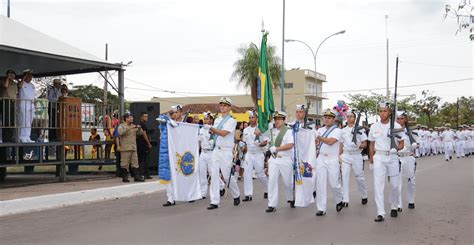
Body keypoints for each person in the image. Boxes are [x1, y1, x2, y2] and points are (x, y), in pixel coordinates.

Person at [368, 102, 405, 222]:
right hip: (379, 156)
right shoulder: (374, 126)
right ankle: (380, 213)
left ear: (390, 112)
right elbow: (371, 144)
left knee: (395, 185)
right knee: (378, 185)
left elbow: (401, 144)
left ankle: (394, 205)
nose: (382, 113)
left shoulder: (396, 126)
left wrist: (395, 146)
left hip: (392, 156)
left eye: (385, 111)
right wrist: (371, 159)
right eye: (380, 111)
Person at [206, 97, 240, 210]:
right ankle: (214, 201)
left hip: (226, 151)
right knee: (214, 174)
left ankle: (236, 194)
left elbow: (224, 133)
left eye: (225, 105)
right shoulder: (217, 119)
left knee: (226, 175)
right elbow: (214, 132)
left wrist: (211, 128)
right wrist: (210, 131)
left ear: (229, 107)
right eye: (221, 105)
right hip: (216, 150)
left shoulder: (232, 120)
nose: (222, 107)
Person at [314, 108, 344, 216]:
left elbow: (331, 142)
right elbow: (317, 142)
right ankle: (321, 208)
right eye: (325, 118)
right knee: (320, 183)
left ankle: (339, 199)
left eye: (329, 118)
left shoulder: (338, 131)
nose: (326, 120)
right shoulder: (320, 130)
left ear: (334, 119)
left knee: (334, 183)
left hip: (332, 159)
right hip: (321, 158)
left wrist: (318, 137)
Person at [263, 111, 294, 213]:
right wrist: (262, 143)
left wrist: (277, 148)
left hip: (285, 159)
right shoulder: (271, 131)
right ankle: (272, 204)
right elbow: (267, 142)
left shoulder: (289, 131)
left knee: (287, 182)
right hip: (274, 159)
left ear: (284, 120)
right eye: (275, 119)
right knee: (272, 182)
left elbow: (290, 145)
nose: (277, 121)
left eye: (279, 119)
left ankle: (291, 197)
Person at [339, 110, 369, 207]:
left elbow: (365, 144)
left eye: (351, 116)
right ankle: (345, 199)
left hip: (356, 155)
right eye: (348, 116)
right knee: (345, 176)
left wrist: (359, 145)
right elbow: (341, 144)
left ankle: (364, 195)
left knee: (359, 177)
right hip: (346, 155)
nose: (349, 118)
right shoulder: (343, 131)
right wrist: (339, 155)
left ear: (355, 118)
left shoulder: (360, 130)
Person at [241, 110, 268, 202]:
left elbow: (265, 142)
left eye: (253, 117)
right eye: (250, 117)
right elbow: (245, 142)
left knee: (260, 174)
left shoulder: (262, 128)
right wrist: (243, 149)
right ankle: (248, 195)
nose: (251, 119)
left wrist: (261, 144)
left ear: (257, 118)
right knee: (247, 173)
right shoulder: (245, 130)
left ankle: (268, 189)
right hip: (249, 154)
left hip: (258, 154)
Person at [163, 104, 184, 207]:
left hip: (180, 154)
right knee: (168, 175)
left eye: (175, 112)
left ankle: (187, 194)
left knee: (181, 175)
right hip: (170, 152)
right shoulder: (168, 124)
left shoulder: (185, 125)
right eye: (172, 113)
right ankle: (170, 198)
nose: (173, 114)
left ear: (180, 112)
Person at [396, 112, 417, 211]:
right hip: (398, 157)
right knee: (397, 181)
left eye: (401, 118)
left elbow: (417, 143)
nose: (399, 120)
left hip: (409, 157)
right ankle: (398, 204)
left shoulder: (412, 132)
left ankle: (411, 200)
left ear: (405, 120)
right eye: (398, 119)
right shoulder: (393, 131)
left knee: (411, 181)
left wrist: (415, 145)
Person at [118, 112, 144, 182]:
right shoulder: (122, 126)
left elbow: (140, 133)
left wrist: (139, 128)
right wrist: (127, 128)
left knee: (135, 163)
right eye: (130, 117)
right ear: (126, 118)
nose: (132, 118)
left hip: (133, 147)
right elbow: (120, 133)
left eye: (132, 117)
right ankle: (124, 177)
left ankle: (136, 176)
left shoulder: (134, 126)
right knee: (124, 163)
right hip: (125, 148)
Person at [17, 69, 35, 143]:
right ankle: (22, 136)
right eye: (29, 76)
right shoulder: (21, 83)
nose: (31, 78)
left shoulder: (32, 85)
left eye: (31, 76)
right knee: (23, 121)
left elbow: (33, 95)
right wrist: (23, 78)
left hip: (31, 105)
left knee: (29, 121)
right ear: (25, 76)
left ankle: (27, 136)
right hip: (23, 104)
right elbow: (19, 86)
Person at [137, 112, 153, 179]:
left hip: (143, 144)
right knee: (144, 160)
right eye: (145, 116)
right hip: (143, 144)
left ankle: (144, 173)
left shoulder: (143, 124)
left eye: (147, 116)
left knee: (144, 159)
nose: (146, 118)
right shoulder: (141, 125)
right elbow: (144, 134)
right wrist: (148, 143)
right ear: (141, 117)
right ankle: (144, 174)